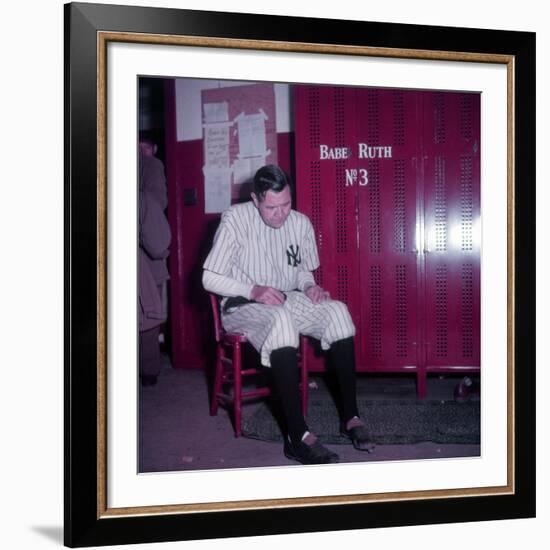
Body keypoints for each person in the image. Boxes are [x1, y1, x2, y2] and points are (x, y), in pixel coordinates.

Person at [202, 164, 374, 464]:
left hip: (285, 298)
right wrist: (252, 290)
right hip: (242, 305)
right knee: (281, 322)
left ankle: (351, 418)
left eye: (286, 204)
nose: (281, 214)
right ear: (255, 200)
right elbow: (209, 278)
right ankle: (297, 437)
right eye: (272, 208)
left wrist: (310, 287)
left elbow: (302, 272)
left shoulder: (299, 223)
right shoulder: (234, 220)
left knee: (338, 313)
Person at [138, 147, 171, 386]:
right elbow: (156, 204)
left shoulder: (153, 166)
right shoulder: (151, 169)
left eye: (145, 146)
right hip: (148, 258)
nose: (140, 151)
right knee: (149, 317)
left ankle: (148, 370)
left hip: (148, 256)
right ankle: (149, 372)